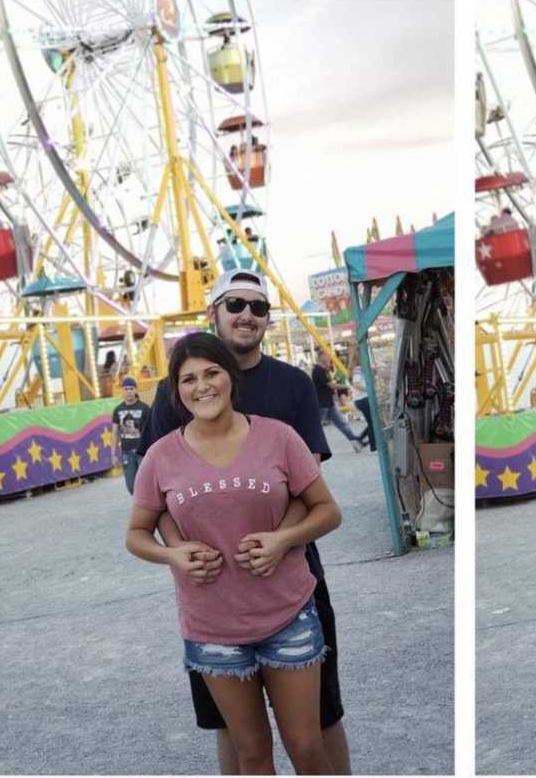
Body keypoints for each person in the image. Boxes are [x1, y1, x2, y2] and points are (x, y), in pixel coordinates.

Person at [137, 268, 352, 775]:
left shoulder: (292, 387)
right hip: (212, 598)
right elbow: (156, 495)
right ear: (213, 313)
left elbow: (308, 486)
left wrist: (279, 541)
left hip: (293, 581)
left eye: (258, 307)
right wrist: (181, 551)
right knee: (236, 735)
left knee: (319, 722)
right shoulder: (176, 392)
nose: (247, 315)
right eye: (235, 304)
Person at [312, 350, 365, 453]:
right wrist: (347, 386)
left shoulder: (322, 370)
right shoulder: (318, 370)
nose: (329, 358)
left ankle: (354, 440)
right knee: (318, 427)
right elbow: (331, 385)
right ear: (321, 356)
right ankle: (311, 446)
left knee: (341, 423)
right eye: (327, 356)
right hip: (322, 403)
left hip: (328, 403)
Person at [111, 377, 151, 494]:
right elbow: (114, 433)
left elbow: (151, 429)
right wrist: (113, 454)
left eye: (131, 388)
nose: (128, 391)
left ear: (135, 390)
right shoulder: (118, 410)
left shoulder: (144, 408)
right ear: (122, 391)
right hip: (126, 454)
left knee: (146, 483)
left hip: (143, 452)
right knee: (131, 486)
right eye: (126, 388)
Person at [349, 363, 377, 453]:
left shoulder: (359, 369)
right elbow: (356, 383)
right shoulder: (358, 369)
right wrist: (368, 389)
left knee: (372, 422)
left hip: (361, 399)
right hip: (363, 398)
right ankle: (373, 446)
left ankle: (359, 441)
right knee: (373, 423)